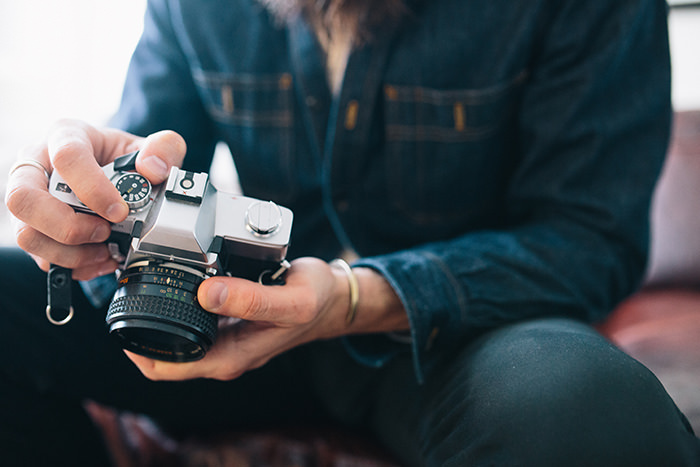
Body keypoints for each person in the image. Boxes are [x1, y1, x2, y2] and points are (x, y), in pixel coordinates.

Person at [2, 0, 699, 465]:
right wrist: (93, 220)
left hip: (458, 342)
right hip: (243, 327)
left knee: (588, 407)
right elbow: (153, 159)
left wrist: (354, 297)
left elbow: (588, 241)